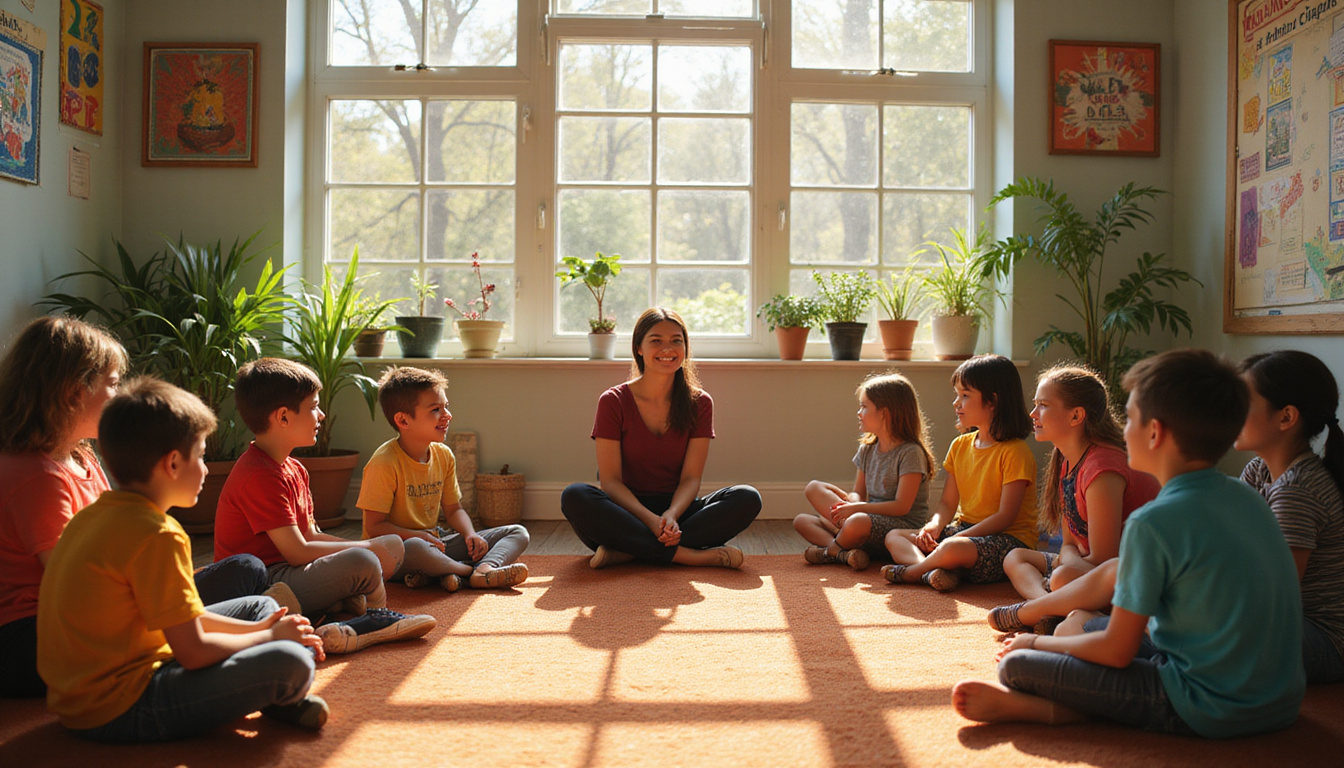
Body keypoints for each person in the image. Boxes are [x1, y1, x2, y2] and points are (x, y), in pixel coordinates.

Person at [953, 349, 1305, 738]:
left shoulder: (1152, 522)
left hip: (1208, 705)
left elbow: (1116, 651)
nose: (1122, 432)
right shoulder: (1249, 498)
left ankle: (1059, 710)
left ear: (1155, 433)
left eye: (1131, 420)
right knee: (1078, 625)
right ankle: (1063, 699)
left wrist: (1034, 640)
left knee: (1018, 664)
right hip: (1282, 699)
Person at [37, 378, 328, 742]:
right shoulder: (158, 533)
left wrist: (263, 628)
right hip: (122, 706)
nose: (206, 469)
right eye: (202, 455)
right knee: (291, 661)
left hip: (77, 699)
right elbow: (192, 651)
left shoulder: (95, 516)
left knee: (261, 606)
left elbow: (182, 619)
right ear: (173, 463)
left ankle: (266, 689)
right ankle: (272, 690)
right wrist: (268, 638)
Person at [0, 317, 277, 699]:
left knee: (245, 570)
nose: (120, 395)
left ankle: (261, 636)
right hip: (37, 633)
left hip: (111, 603)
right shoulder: (37, 477)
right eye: (113, 384)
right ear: (73, 392)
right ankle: (243, 652)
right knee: (233, 622)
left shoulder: (82, 455)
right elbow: (77, 590)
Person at [214, 358, 434, 654]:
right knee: (363, 561)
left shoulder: (294, 468)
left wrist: (371, 544)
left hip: (290, 571)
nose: (321, 415)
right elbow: (297, 552)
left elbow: (311, 537)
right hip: (264, 582)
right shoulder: (258, 475)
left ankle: (337, 611)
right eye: (313, 406)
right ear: (283, 417)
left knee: (380, 547)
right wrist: (367, 550)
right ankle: (373, 620)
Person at [560, 307, 762, 569]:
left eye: (676, 340)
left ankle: (629, 551)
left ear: (685, 348)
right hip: (626, 511)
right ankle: (685, 555)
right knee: (575, 495)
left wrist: (670, 515)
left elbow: (691, 478)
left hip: (678, 509)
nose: (668, 349)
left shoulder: (700, 402)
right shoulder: (613, 401)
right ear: (639, 348)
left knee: (747, 497)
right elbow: (610, 481)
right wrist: (650, 521)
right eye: (656, 341)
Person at [988, 365, 1159, 632]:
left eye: (1043, 405)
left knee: (1063, 577)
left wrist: (1067, 564)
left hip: (1128, 578)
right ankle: (1048, 607)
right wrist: (1067, 560)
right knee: (1015, 557)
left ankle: (1043, 607)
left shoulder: (1103, 468)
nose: (1033, 414)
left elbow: (1105, 559)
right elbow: (1069, 542)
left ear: (1076, 415)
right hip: (1083, 563)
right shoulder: (1067, 459)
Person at [359, 366, 530, 592]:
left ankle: (481, 569)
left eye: (446, 407)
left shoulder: (444, 455)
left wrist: (470, 534)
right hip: (399, 551)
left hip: (437, 542)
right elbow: (374, 527)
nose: (447, 415)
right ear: (403, 420)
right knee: (417, 549)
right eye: (435, 409)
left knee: (517, 532)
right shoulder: (383, 463)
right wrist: (420, 536)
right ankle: (467, 572)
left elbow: (454, 510)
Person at [880, 354, 1037, 592]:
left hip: (1008, 540)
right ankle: (933, 572)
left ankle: (915, 572)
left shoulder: (1015, 451)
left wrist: (955, 540)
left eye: (965, 395)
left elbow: (1005, 517)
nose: (956, 403)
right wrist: (933, 526)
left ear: (992, 401)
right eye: (957, 395)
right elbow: (946, 504)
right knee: (895, 537)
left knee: (952, 549)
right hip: (964, 531)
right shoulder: (959, 445)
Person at [1237, 350, 1344, 684]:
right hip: (1276, 618)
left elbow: (1275, 595)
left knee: (1197, 635)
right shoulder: (1259, 471)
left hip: (1320, 637)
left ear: (1286, 418)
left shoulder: (1296, 490)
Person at [794, 372, 935, 571]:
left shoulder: (910, 452)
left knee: (857, 521)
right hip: (865, 521)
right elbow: (858, 491)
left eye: (864, 406)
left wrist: (857, 509)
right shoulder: (868, 448)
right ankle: (846, 554)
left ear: (884, 413)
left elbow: (901, 507)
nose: (859, 413)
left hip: (898, 527)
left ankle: (831, 552)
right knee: (806, 509)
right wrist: (851, 501)